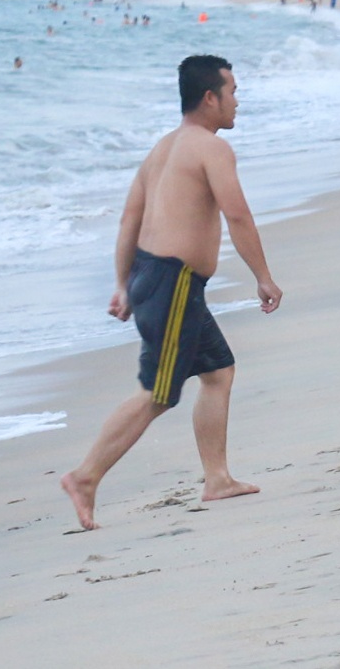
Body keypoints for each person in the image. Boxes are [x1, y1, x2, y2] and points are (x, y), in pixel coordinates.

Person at [61, 56, 284, 530]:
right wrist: (262, 275)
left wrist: (123, 286)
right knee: (159, 393)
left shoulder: (161, 149)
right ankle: (85, 476)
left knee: (218, 372)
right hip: (174, 282)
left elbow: (129, 221)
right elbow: (237, 215)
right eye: (233, 91)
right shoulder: (209, 149)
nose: (237, 101)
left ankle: (217, 478)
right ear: (210, 97)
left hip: (156, 278)